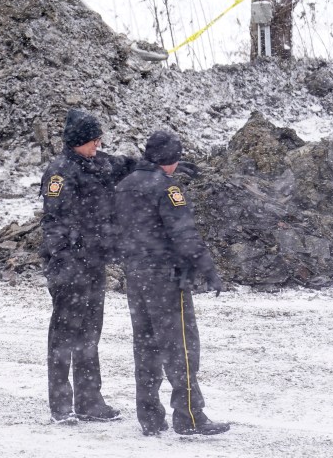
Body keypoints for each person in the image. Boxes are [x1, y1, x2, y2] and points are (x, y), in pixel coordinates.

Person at [114, 130, 230, 436]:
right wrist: (207, 269)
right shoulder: (167, 189)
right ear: (169, 159)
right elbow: (184, 235)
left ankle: (149, 417)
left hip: (136, 276)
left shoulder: (124, 186)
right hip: (166, 277)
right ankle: (189, 415)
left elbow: (115, 228)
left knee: (146, 345)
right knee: (181, 347)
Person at [39, 108, 136, 424]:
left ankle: (90, 402)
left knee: (89, 335)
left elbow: (127, 165)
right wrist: (65, 262)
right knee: (64, 338)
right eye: (93, 139)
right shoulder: (60, 173)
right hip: (69, 268)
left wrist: (156, 165)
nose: (99, 143)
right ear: (79, 141)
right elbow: (54, 226)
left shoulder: (100, 162)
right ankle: (61, 405)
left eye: (99, 138)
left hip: (93, 264)